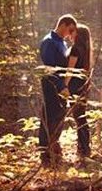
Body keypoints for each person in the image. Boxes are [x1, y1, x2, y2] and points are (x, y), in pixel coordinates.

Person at [38, 14, 77, 165]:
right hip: (51, 86)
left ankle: (54, 150)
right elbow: (50, 69)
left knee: (58, 119)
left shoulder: (62, 43)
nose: (71, 33)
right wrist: (61, 87)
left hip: (62, 88)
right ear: (63, 25)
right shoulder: (49, 41)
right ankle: (45, 156)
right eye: (70, 29)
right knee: (49, 118)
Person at [62, 23, 92, 158]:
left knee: (79, 118)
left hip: (74, 87)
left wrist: (64, 86)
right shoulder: (85, 50)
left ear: (78, 34)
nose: (70, 33)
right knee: (81, 117)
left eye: (73, 31)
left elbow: (70, 70)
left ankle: (84, 149)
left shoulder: (75, 49)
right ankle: (84, 148)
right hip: (82, 86)